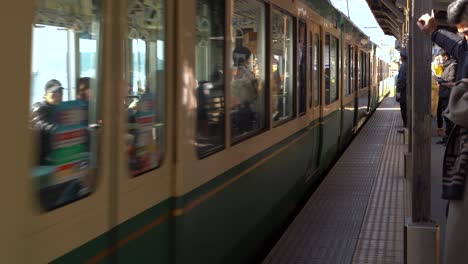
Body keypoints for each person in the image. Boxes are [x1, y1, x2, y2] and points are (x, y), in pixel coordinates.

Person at [31, 79, 64, 165]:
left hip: (57, 158)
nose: (58, 94)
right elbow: (44, 125)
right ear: (45, 95)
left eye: (60, 91)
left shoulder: (62, 110)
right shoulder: (39, 107)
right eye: (54, 91)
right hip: (42, 160)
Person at [436, 50, 457, 145]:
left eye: (442, 57)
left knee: (448, 118)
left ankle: (449, 140)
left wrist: (441, 81)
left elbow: (451, 81)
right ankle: (446, 138)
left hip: (448, 95)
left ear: (446, 57)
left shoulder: (453, 66)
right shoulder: (446, 66)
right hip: (443, 94)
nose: (441, 59)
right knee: (445, 117)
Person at [396, 50, 408, 133]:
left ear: (402, 57)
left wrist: (398, 92)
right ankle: (406, 128)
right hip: (407, 93)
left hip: (404, 94)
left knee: (404, 111)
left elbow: (401, 81)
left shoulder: (403, 66)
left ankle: (406, 129)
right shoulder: (408, 65)